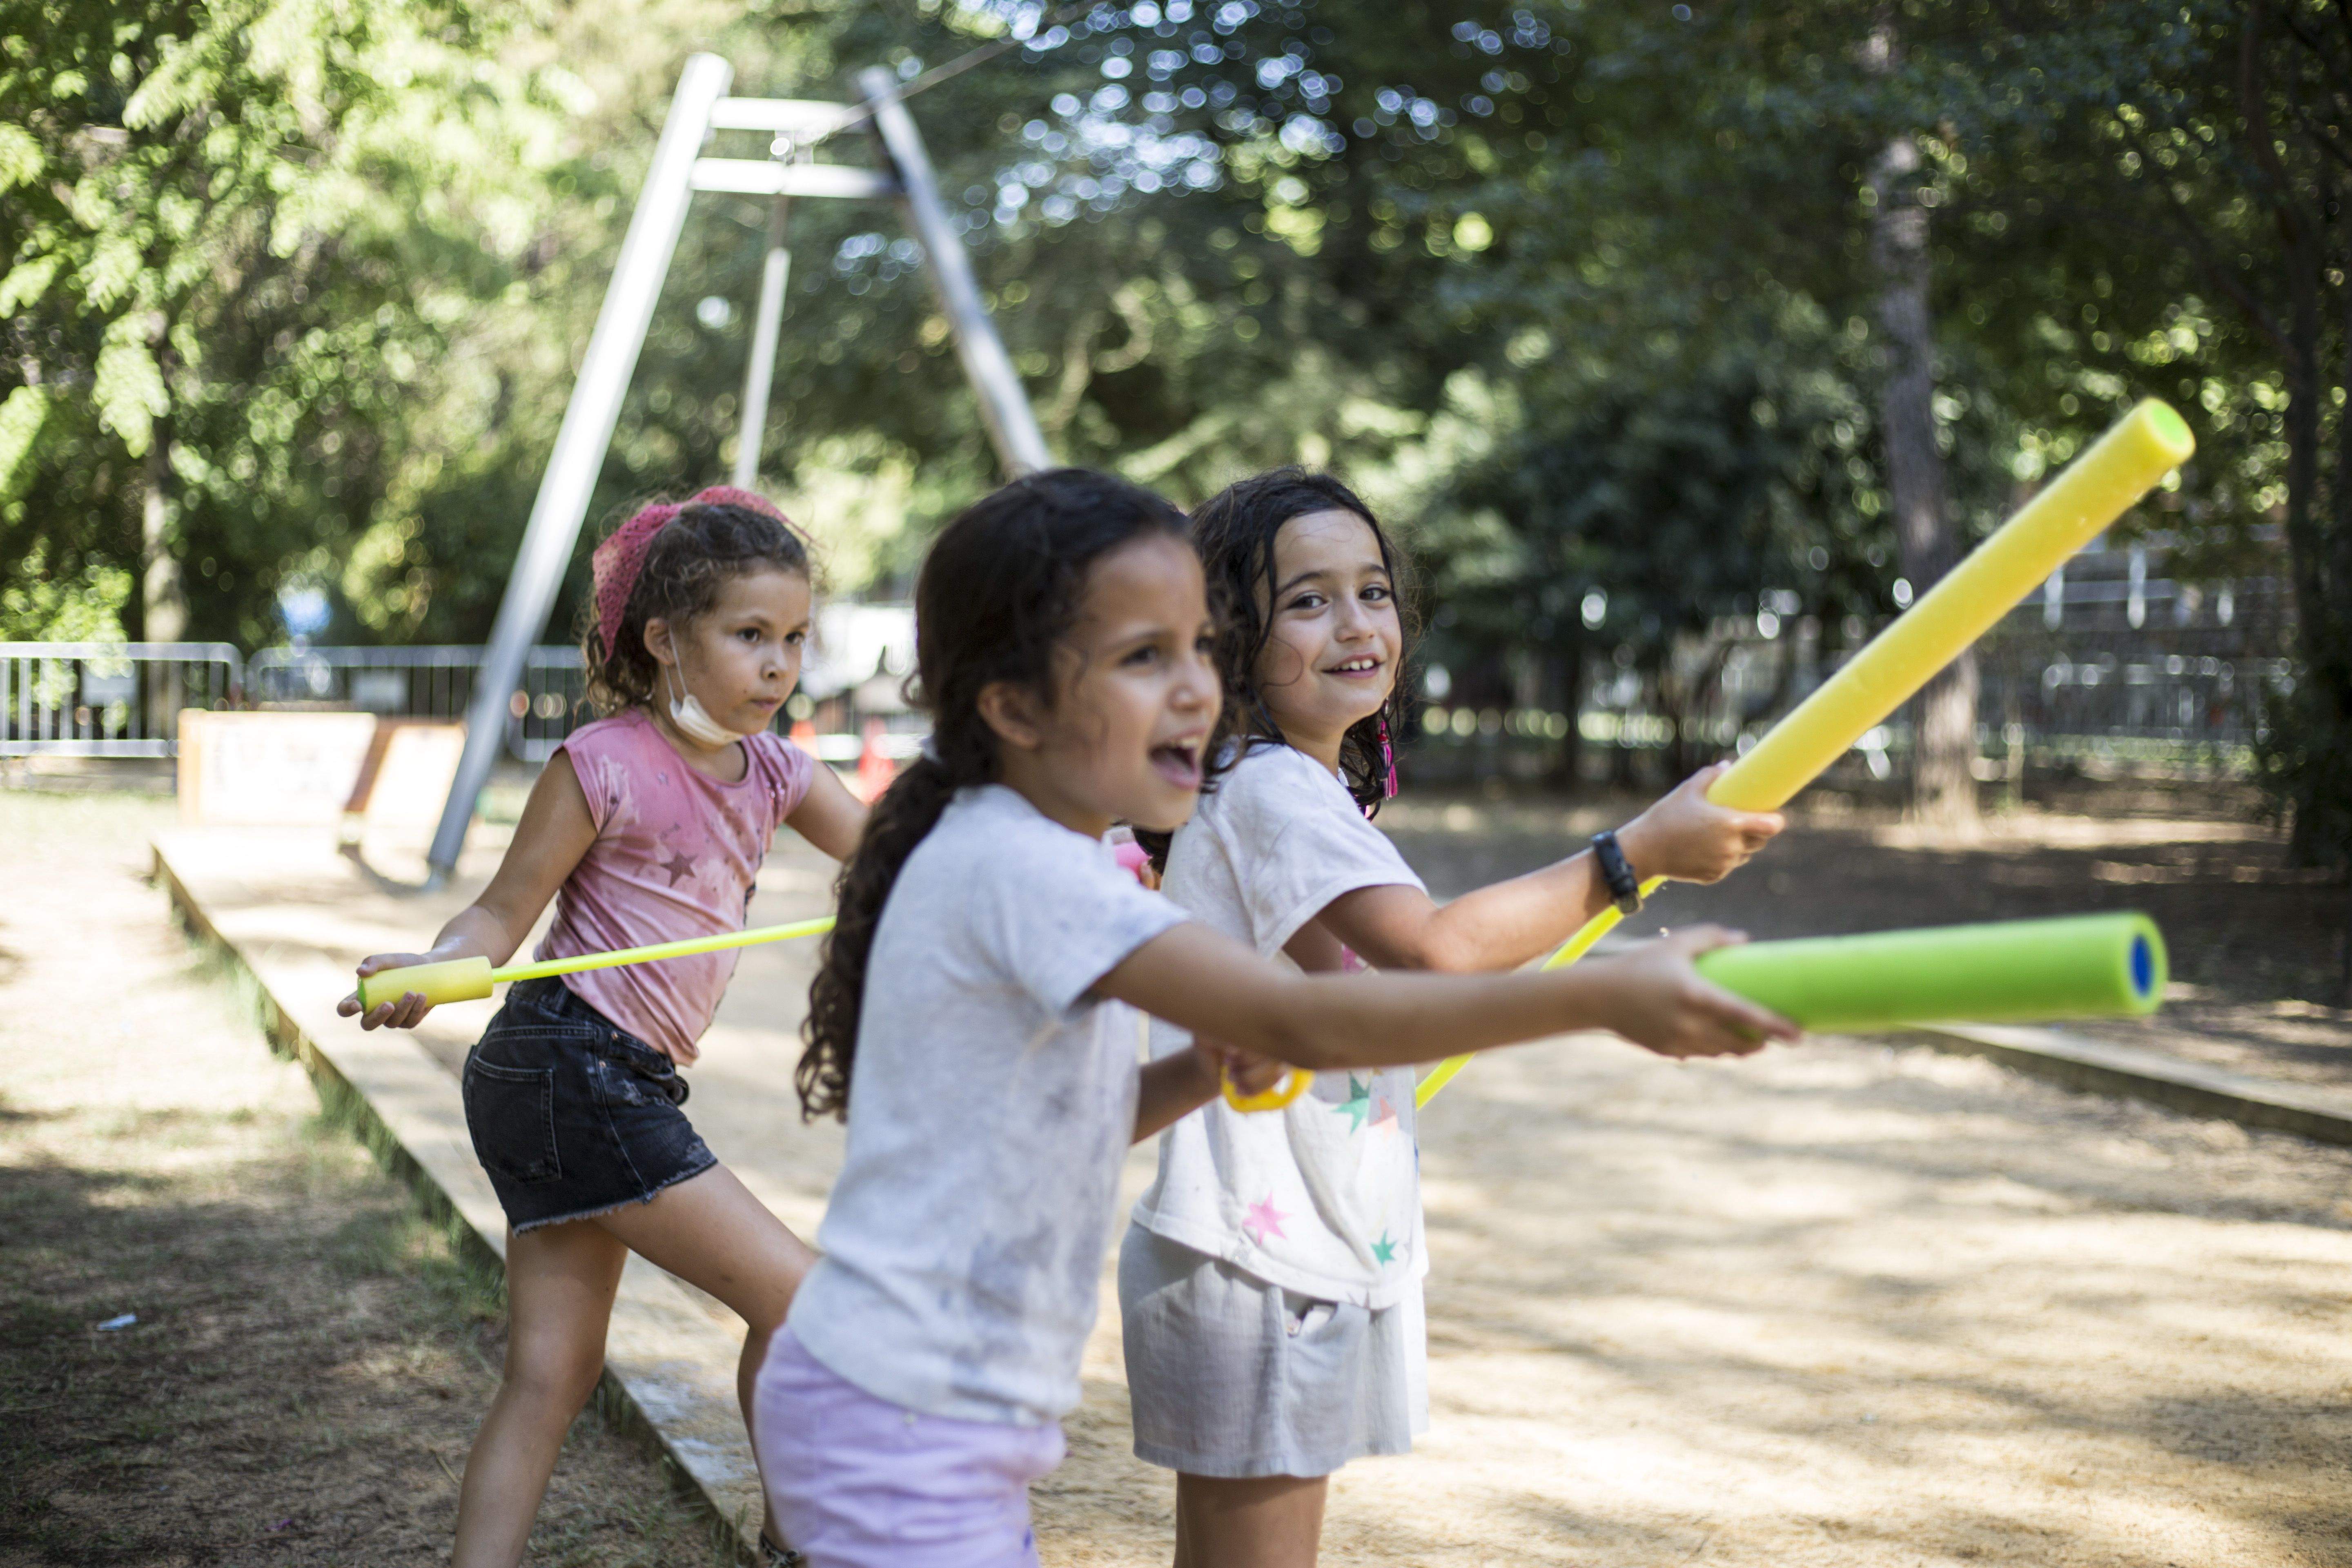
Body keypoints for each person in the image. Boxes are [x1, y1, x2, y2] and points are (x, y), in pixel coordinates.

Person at [752, 468, 1794, 1568]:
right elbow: (1325, 1017)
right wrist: (1606, 990)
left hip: (934, 1409)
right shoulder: (1030, 872)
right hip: (903, 1415)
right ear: (1012, 708)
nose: (1198, 687)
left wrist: (1203, 1071)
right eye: (1144, 657)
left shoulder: (1042, 853)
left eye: (1201, 645)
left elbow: (1076, 1119)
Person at [1119, 468, 1786, 1566]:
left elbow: (1398, 995)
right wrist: (1635, 858)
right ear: (1231, 637)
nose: (1356, 624)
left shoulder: (1287, 788)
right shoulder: (1272, 786)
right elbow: (1433, 948)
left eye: (1373, 591)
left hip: (1283, 1246)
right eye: (1307, 600)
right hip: (1263, 1257)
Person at [337, 488, 865, 1568]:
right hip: (570, 1065)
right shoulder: (604, 762)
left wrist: (1076, 854)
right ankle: (802, 1547)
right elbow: (499, 913)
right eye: (750, 635)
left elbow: (908, 858)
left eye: (795, 640)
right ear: (666, 640)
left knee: (553, 1371)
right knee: (807, 1308)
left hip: (598, 1080)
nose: (779, 665)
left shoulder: (779, 772)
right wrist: (436, 973)